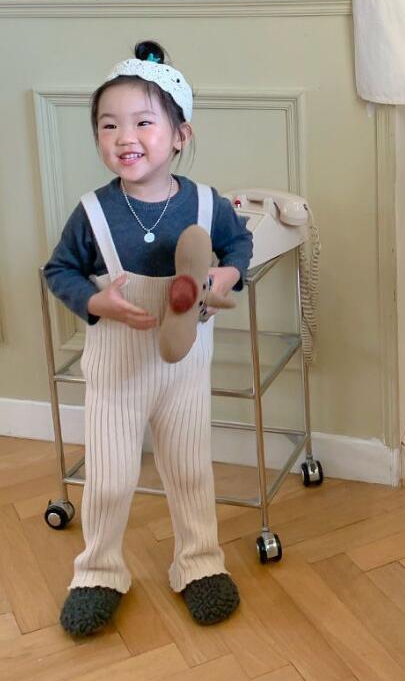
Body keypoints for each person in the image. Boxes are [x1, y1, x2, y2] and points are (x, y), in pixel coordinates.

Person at [44, 40, 253, 636]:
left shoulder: (208, 205)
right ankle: (98, 571)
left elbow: (239, 246)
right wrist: (95, 301)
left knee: (190, 471)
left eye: (142, 122)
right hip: (116, 372)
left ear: (180, 135)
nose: (124, 137)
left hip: (185, 371)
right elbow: (58, 270)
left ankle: (199, 562)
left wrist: (225, 275)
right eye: (108, 125)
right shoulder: (92, 213)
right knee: (109, 479)